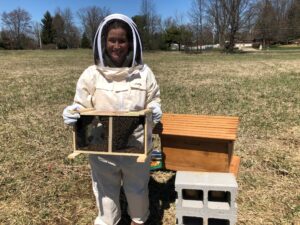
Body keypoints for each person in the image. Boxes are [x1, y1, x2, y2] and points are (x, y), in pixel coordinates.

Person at [62, 14, 162, 225]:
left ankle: (138, 220)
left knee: (137, 190)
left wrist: (154, 109)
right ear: (103, 42)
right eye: (112, 40)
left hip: (137, 146)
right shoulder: (91, 74)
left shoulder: (144, 73)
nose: (117, 46)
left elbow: (154, 99)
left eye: (122, 40)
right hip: (101, 147)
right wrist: (73, 112)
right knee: (105, 192)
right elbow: (81, 104)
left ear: (131, 43)